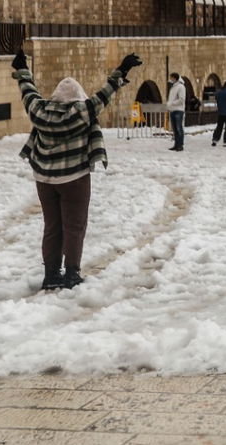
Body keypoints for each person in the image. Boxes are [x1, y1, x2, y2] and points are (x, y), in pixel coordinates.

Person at [14, 48, 142, 290]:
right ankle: (72, 272)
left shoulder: (40, 111)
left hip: (44, 179)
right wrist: (122, 70)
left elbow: (28, 93)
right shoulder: (81, 112)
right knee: (74, 226)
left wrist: (22, 70)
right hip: (75, 178)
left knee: (52, 226)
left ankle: (51, 274)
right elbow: (104, 95)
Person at [166, 73, 187, 152]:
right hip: (173, 110)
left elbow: (181, 99)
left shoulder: (181, 87)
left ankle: (180, 145)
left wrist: (171, 103)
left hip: (178, 110)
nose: (170, 79)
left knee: (179, 128)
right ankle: (176, 145)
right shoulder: (173, 87)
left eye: (171, 78)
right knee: (175, 129)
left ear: (175, 78)